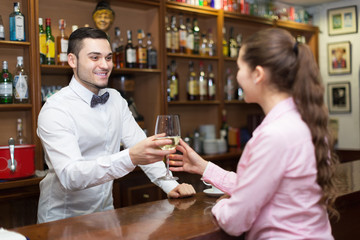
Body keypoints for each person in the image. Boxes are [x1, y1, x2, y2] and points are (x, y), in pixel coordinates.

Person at [170, 28, 339, 239]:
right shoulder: (304, 121)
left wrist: (223, 205)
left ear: (258, 74)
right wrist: (203, 167)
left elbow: (234, 221)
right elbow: (260, 184)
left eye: (239, 67)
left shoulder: (274, 135)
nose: (237, 76)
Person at [37, 27, 195, 223]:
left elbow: (141, 145)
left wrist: (169, 184)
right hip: (64, 219)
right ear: (72, 60)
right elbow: (71, 176)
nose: (104, 65)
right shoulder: (55, 109)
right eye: (94, 57)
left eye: (108, 57)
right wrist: (130, 157)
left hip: (106, 213)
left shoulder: (115, 99)